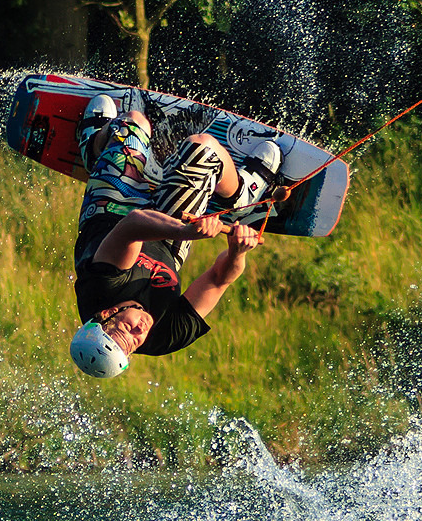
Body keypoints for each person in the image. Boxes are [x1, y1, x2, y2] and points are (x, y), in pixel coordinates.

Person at [69, 94, 285, 378]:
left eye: (126, 330)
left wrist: (185, 230)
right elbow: (219, 279)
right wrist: (237, 251)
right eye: (133, 344)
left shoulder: (100, 289)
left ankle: (94, 150)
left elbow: (133, 226)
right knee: (203, 147)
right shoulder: (165, 337)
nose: (138, 332)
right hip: (169, 246)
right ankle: (241, 192)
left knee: (134, 123)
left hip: (112, 212)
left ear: (106, 316)